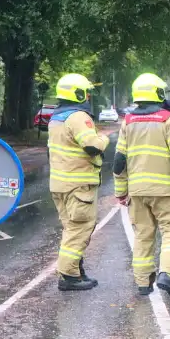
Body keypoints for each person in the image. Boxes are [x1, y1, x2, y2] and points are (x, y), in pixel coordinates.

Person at [114, 73, 170, 298]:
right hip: (166, 192)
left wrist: (120, 191)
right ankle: (168, 275)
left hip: (138, 192)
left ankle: (143, 284)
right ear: (158, 93)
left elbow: (119, 161)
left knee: (143, 235)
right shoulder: (166, 119)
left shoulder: (128, 122)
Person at [48, 73, 109, 292]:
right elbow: (92, 146)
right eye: (86, 93)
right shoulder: (78, 117)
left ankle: (76, 268)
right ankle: (68, 275)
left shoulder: (56, 118)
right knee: (80, 228)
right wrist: (105, 138)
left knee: (71, 228)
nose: (88, 97)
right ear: (79, 93)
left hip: (60, 184)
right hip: (78, 185)